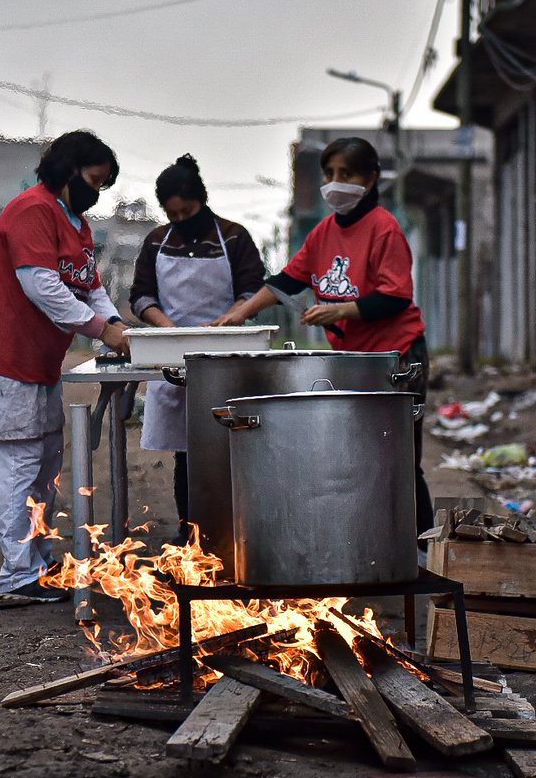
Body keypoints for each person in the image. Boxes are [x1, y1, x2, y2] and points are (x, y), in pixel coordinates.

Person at [211, 136, 434, 543]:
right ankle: (368, 541)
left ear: (369, 179)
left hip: (397, 358)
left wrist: (341, 311)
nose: (335, 183)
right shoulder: (323, 232)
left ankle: (418, 546)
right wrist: (238, 314)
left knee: (401, 458)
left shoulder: (384, 228)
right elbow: (285, 282)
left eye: (345, 174)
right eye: (329, 174)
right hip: (351, 360)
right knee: (357, 456)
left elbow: (396, 295)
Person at [0, 130, 129, 602]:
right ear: (69, 169)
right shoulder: (33, 211)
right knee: (18, 467)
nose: (97, 192)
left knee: (45, 467)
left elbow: (89, 286)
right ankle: (17, 575)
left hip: (39, 364)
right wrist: (101, 330)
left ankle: (36, 561)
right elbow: (43, 287)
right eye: (94, 180)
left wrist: (114, 323)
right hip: (1, 360)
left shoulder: (77, 224)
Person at [130, 155, 266, 543]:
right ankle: (190, 532)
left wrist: (230, 319)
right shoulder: (157, 241)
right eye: (173, 214)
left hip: (227, 353)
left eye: (187, 211)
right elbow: (141, 296)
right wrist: (170, 330)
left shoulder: (234, 236)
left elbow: (253, 290)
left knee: (230, 446)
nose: (180, 220)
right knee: (187, 453)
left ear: (202, 200)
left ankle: (231, 532)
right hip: (174, 358)